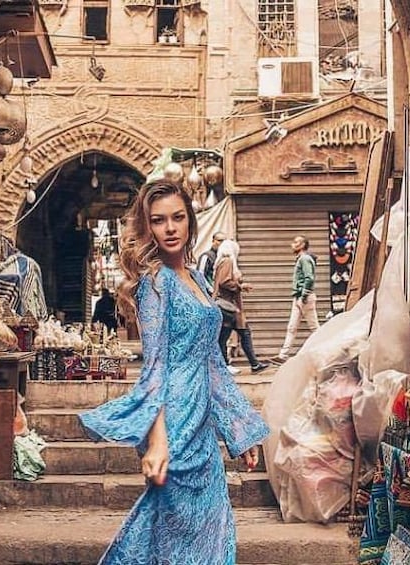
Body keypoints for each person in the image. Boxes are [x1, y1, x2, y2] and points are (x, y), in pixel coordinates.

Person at [79, 180, 268, 564]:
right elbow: (155, 368)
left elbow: (213, 364)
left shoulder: (197, 279)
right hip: (175, 423)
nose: (170, 228)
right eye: (159, 220)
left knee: (211, 529)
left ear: (190, 221)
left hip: (202, 428)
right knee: (177, 536)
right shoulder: (155, 284)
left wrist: (242, 430)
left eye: (178, 218)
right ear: (147, 227)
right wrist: (158, 441)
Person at [213, 239, 269, 374]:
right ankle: (226, 365)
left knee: (242, 333)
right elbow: (224, 282)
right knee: (225, 337)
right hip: (228, 306)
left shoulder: (222, 262)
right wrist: (240, 286)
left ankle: (254, 364)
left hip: (230, 306)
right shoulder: (227, 261)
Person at [272, 235, 319, 364]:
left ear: (302, 245)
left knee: (314, 327)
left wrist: (303, 296)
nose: (292, 244)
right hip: (299, 297)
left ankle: (325, 351)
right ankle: (283, 355)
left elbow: (309, 278)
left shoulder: (304, 259)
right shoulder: (301, 259)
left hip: (304, 298)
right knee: (292, 327)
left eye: (296, 242)